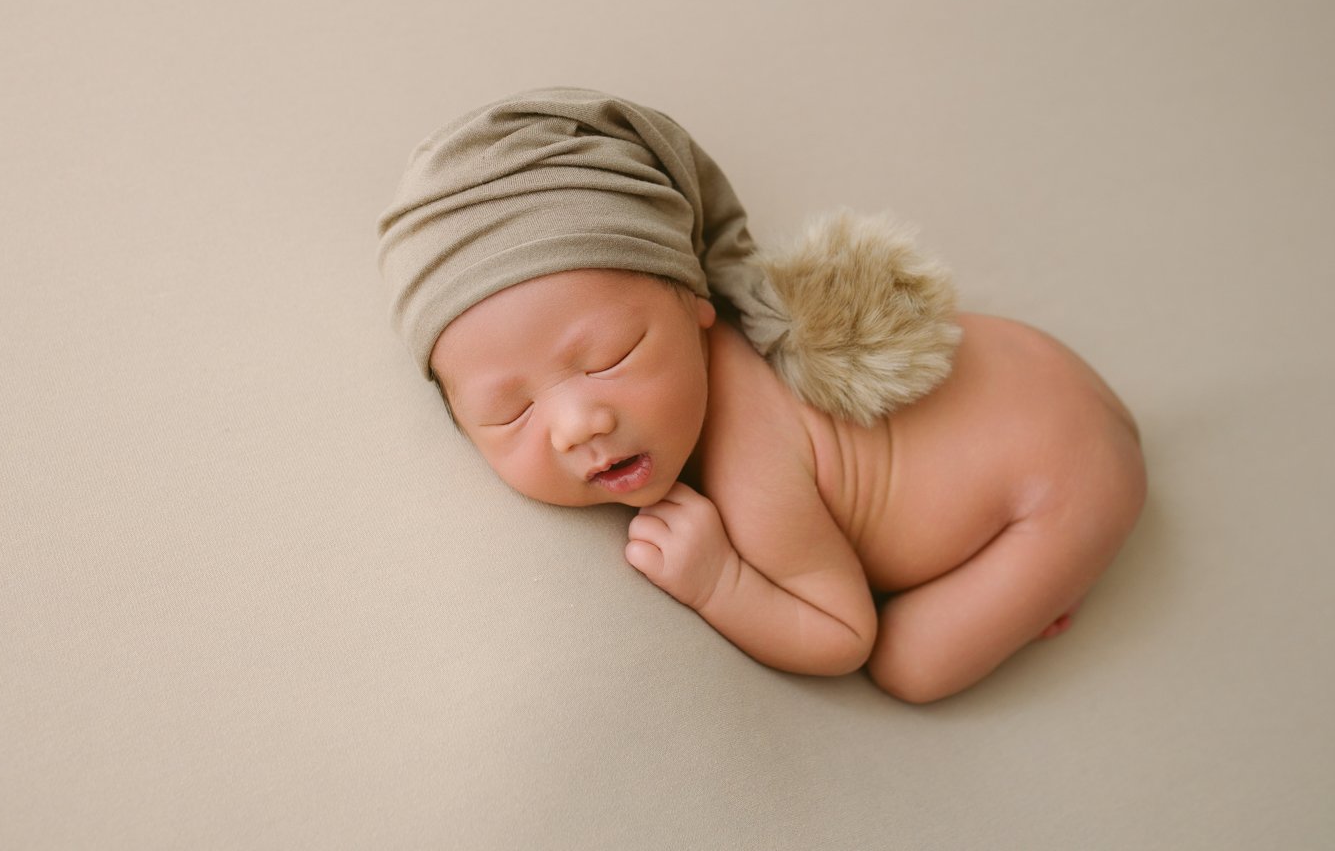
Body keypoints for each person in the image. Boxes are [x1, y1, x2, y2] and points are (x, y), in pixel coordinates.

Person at [378, 87, 1145, 703]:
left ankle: (1058, 570)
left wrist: (721, 581)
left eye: (612, 356)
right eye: (508, 411)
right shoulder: (665, 394)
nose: (579, 422)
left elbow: (844, 635)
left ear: (697, 304)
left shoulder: (750, 449)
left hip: (1069, 471)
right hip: (1024, 364)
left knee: (913, 666)